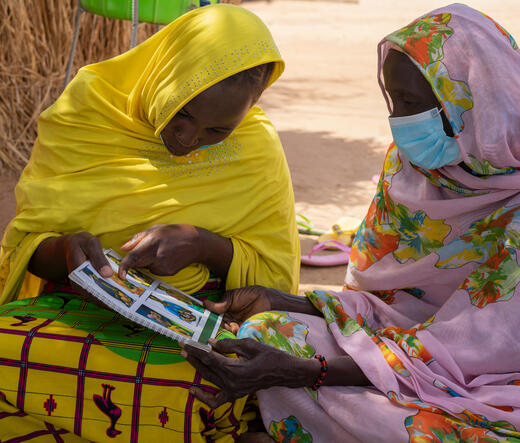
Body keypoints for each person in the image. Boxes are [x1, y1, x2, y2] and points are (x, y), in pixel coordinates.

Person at [182, 4, 520, 442]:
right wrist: (282, 302)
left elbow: (491, 348)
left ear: (471, 100)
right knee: (265, 331)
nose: (398, 121)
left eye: (411, 103)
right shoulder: (413, 171)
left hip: (507, 379)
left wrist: (306, 372)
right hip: (397, 354)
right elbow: (384, 302)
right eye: (392, 99)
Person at [0, 4, 299, 441]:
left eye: (216, 132)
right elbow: (27, 244)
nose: (188, 139)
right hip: (73, 308)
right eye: (181, 113)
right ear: (161, 77)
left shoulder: (255, 149)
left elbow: (274, 276)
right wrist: (65, 251)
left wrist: (204, 245)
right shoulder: (89, 114)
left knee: (203, 386)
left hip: (196, 320)